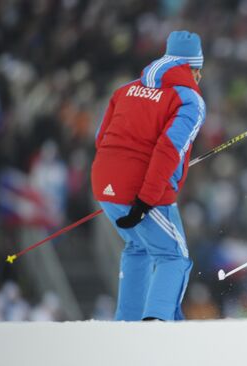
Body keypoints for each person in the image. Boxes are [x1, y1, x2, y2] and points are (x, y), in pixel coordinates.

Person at [91, 31, 206, 321]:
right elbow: (168, 149)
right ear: (192, 68)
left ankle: (128, 322)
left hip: (104, 183)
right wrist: (145, 200)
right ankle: (156, 324)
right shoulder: (189, 99)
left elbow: (100, 137)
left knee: (138, 247)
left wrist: (117, 181)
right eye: (199, 72)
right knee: (173, 256)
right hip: (142, 190)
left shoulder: (126, 89)